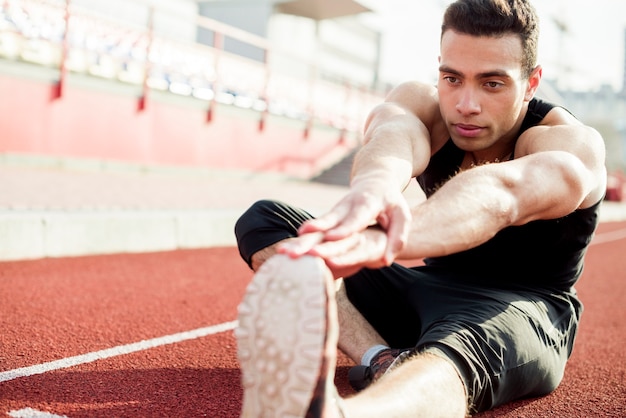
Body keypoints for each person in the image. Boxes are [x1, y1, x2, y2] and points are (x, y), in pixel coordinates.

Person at [233, 0, 607, 416]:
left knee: (462, 348)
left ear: (531, 82)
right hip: (421, 292)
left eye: (492, 84)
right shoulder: (425, 104)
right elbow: (395, 134)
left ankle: (346, 414)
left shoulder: (570, 143)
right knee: (271, 221)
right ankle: (379, 356)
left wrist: (392, 238)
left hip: (520, 309)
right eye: (453, 78)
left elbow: (502, 194)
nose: (467, 104)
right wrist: (373, 188)